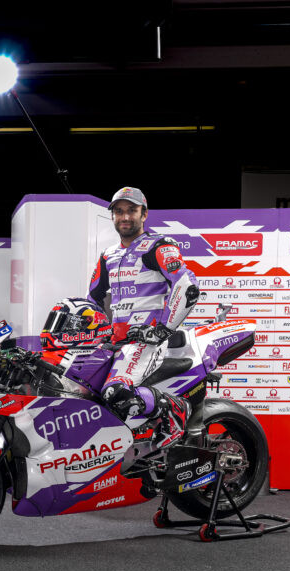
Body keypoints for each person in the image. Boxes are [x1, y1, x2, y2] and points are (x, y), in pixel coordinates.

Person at [88, 187, 199, 449]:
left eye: (131, 211)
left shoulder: (159, 246)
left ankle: (174, 411)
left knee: (115, 392)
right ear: (113, 216)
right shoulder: (108, 255)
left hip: (145, 342)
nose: (124, 217)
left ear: (144, 214)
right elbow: (91, 299)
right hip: (116, 343)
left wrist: (162, 330)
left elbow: (187, 287)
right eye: (118, 211)